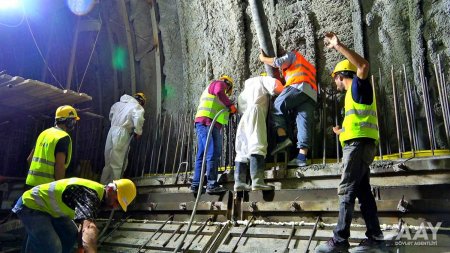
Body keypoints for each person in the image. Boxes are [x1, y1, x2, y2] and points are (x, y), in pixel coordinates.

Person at [315, 32, 384, 253]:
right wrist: (341, 131)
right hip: (363, 145)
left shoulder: (357, 84)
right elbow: (359, 122)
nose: (334, 81)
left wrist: (338, 45)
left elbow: (363, 65)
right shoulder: (353, 95)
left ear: (341, 75)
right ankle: (375, 235)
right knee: (363, 192)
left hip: (358, 147)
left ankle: (340, 240)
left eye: (335, 77)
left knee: (346, 190)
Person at [12, 177, 137, 253]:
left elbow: (83, 227)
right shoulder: (91, 195)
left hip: (50, 210)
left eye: (118, 205)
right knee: (52, 247)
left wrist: (80, 250)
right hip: (32, 205)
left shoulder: (98, 198)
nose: (115, 207)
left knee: (70, 234)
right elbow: (88, 229)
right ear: (110, 190)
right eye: (116, 201)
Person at [259, 47, 317, 167]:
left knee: (277, 107)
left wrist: (263, 59)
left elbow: (278, 62)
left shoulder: (293, 55)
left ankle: (283, 138)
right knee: (303, 123)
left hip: (298, 85)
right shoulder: (308, 65)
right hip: (311, 94)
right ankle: (302, 157)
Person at [234, 75, 284, 191]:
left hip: (244, 117)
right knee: (257, 143)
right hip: (256, 111)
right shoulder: (262, 80)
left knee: (242, 148)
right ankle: (257, 181)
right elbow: (277, 86)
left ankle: (239, 182)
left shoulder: (246, 89)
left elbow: (240, 106)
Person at [192, 75, 237, 194]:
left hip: (210, 125)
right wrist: (230, 106)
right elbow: (219, 92)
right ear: (228, 85)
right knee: (211, 152)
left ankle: (196, 184)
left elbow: (221, 113)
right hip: (205, 123)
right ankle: (211, 184)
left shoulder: (219, 97)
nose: (227, 92)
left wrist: (229, 111)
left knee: (202, 154)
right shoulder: (218, 84)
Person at [26, 105, 80, 189]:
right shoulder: (63, 137)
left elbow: (29, 159)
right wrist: (58, 188)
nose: (74, 123)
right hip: (47, 187)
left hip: (30, 182)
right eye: (74, 121)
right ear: (69, 121)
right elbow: (60, 166)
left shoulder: (43, 133)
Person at [100, 93, 146, 184]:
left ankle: (104, 186)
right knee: (118, 162)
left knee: (108, 161)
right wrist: (138, 131)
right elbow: (138, 118)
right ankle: (115, 189)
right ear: (141, 102)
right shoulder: (136, 106)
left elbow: (111, 116)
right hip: (122, 132)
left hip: (112, 130)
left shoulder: (117, 104)